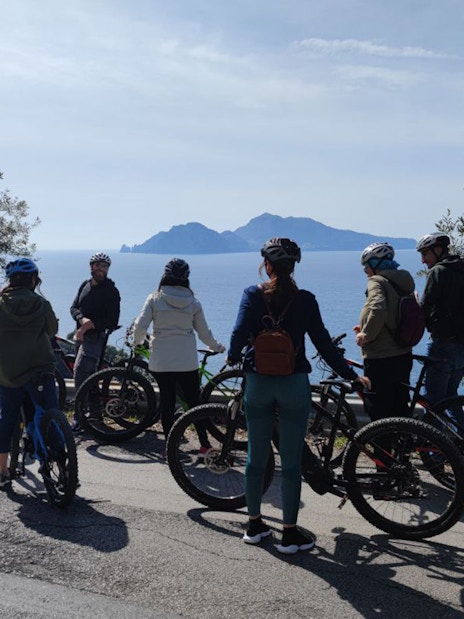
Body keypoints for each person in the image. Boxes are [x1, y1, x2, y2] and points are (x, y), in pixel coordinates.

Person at [227, 238, 370, 554]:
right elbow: (323, 344)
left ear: (267, 265)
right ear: (293, 267)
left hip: (258, 382)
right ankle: (290, 535)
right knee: (291, 462)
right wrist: (352, 376)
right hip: (293, 384)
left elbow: (237, 334)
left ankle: (254, 525)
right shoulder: (305, 299)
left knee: (255, 457)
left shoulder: (252, 294)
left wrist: (233, 355)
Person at [133, 258, 225, 454]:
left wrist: (137, 343)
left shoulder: (154, 298)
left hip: (161, 359)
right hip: (186, 360)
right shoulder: (193, 302)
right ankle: (204, 444)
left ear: (165, 276)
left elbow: (140, 326)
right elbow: (204, 333)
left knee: (167, 403)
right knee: (194, 403)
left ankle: (171, 446)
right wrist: (217, 347)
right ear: (186, 278)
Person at [0, 258, 60, 488]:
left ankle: (3, 471)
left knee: (6, 421)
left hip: (9, 375)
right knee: (52, 413)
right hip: (41, 370)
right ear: (33, 280)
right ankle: (63, 465)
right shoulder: (41, 304)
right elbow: (52, 330)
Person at [354, 242, 415, 422]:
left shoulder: (377, 281)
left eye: (367, 265)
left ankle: (381, 449)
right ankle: (400, 446)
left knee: (378, 409)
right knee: (399, 405)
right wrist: (365, 327)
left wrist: (366, 335)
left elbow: (378, 308)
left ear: (375, 264)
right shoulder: (403, 282)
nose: (365, 270)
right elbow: (395, 315)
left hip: (381, 357)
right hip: (403, 354)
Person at [416, 233, 464, 421]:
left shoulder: (438, 271)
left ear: (437, 250)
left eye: (425, 254)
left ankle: (434, 449)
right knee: (451, 398)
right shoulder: (461, 269)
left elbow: (425, 307)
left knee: (433, 401)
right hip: (461, 347)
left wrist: (414, 304)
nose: (422, 260)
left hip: (443, 345)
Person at [70, 252, 120, 428]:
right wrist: (82, 320)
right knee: (88, 377)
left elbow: (112, 321)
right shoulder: (85, 285)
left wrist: (91, 325)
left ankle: (79, 417)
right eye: (98, 265)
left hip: (95, 339)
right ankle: (95, 415)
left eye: (105, 266)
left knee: (80, 373)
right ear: (91, 266)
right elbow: (74, 307)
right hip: (81, 336)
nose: (101, 269)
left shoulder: (111, 291)